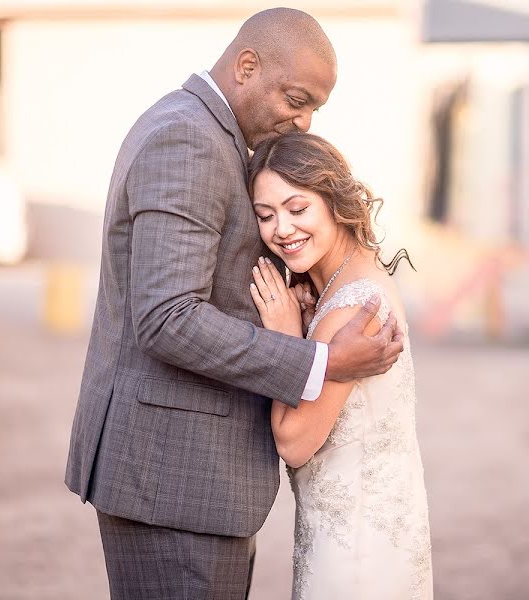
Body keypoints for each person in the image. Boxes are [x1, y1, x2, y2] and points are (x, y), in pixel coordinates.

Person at [64, 8, 405, 599]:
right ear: (247, 66)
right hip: (173, 482)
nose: (300, 123)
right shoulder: (188, 139)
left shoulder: (203, 132)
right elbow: (167, 317)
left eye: (314, 110)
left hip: (183, 481)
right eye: (296, 99)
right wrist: (318, 363)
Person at [248, 132, 434, 599]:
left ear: (334, 200)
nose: (281, 229)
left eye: (297, 208)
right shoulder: (344, 285)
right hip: (364, 530)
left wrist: (286, 337)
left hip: (355, 547)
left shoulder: (355, 306)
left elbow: (293, 442)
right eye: (265, 216)